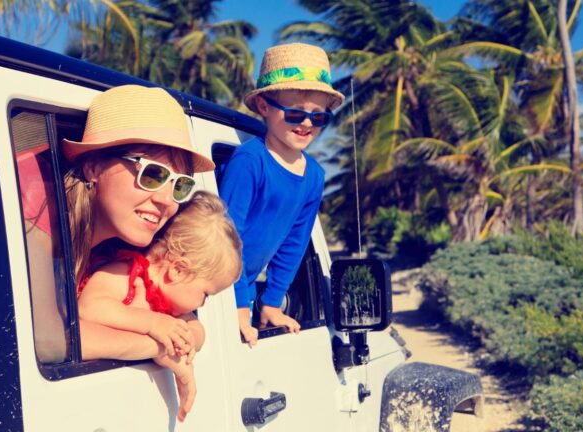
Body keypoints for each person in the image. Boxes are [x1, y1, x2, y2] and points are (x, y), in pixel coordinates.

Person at [19, 84, 215, 419]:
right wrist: (156, 343)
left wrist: (177, 334)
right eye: (153, 174)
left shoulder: (134, 233)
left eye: (180, 184)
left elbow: (191, 322)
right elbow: (49, 342)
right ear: (92, 168)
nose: (168, 200)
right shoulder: (33, 197)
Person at [219, 43, 344, 345]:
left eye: (318, 117)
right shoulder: (250, 161)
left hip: (246, 292)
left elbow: (295, 242)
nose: (306, 124)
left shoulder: (314, 175)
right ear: (264, 106)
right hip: (216, 290)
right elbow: (224, 236)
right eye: (295, 113)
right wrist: (235, 305)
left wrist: (272, 303)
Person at [77, 191, 241, 422]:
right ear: (178, 270)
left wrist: (183, 344)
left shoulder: (170, 306)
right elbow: (90, 307)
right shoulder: (126, 273)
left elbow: (198, 332)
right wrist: (152, 323)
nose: (202, 303)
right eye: (206, 294)